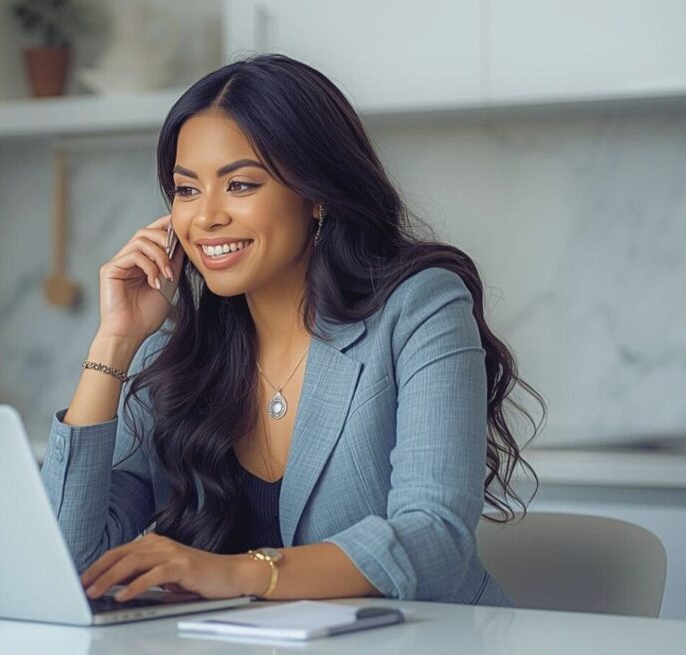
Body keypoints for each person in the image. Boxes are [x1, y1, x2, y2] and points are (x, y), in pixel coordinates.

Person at [40, 53, 543, 607]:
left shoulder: (419, 305)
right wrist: (114, 341)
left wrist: (238, 573)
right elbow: (66, 560)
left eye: (241, 185)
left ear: (317, 194)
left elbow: (434, 537)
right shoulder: (178, 352)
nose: (205, 217)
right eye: (187, 190)